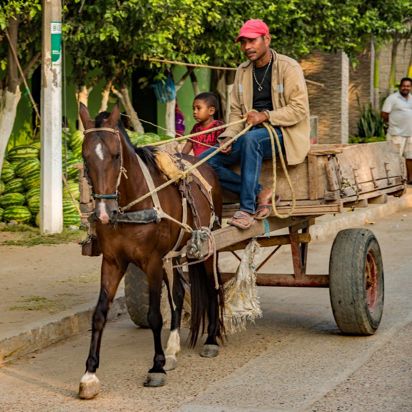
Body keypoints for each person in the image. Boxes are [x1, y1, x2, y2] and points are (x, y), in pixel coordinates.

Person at [198, 19, 310, 229]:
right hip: (250, 133)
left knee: (251, 140)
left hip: (284, 134)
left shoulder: (288, 67)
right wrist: (228, 136)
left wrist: (265, 116)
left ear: (266, 39)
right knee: (202, 163)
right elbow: (235, 112)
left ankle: (246, 209)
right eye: (243, 42)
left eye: (252, 41)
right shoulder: (242, 70)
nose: (247, 47)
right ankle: (261, 191)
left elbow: (299, 109)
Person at [381, 78, 412, 183]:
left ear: (411, 88)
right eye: (404, 86)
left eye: (408, 86)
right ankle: (394, 180)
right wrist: (395, 123)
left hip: (410, 133)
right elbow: (384, 114)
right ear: (400, 87)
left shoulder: (411, 98)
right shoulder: (392, 98)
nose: (405, 88)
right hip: (396, 133)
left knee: (410, 157)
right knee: (394, 157)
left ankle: (410, 179)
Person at [182, 92, 225, 157]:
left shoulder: (219, 126)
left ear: (211, 111)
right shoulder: (196, 128)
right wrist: (181, 156)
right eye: (194, 108)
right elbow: (189, 143)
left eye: (198, 108)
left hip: (213, 163)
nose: (195, 112)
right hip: (199, 163)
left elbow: (223, 144)